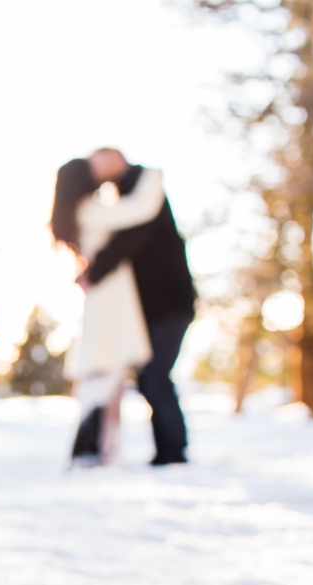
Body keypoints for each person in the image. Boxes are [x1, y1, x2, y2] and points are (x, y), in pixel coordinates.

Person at [80, 148, 196, 466]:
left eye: (97, 162)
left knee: (156, 375)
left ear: (115, 157)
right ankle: (168, 450)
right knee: (150, 377)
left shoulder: (144, 188)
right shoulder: (124, 196)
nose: (94, 171)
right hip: (152, 307)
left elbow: (131, 238)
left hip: (170, 302)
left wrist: (94, 270)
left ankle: (174, 452)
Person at [49, 157, 164, 465]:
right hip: (110, 298)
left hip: (108, 296)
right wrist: (154, 176)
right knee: (107, 372)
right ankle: (98, 450)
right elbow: (140, 210)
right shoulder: (90, 210)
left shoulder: (79, 212)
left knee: (106, 372)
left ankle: (101, 449)